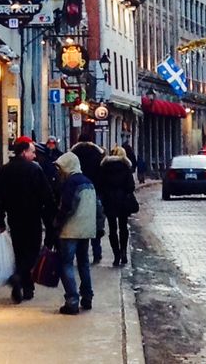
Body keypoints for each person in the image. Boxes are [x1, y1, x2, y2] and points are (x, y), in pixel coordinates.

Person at [0, 136, 56, 304]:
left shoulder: (4, 171)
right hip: (32, 217)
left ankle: (27, 287)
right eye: (33, 152)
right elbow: (46, 196)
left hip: (14, 218)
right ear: (25, 152)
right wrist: (50, 220)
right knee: (33, 252)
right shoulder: (34, 170)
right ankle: (19, 277)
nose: (35, 156)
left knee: (19, 251)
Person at [54, 152, 98, 315]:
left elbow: (67, 206)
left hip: (70, 231)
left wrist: (57, 223)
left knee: (66, 264)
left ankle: (72, 300)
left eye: (61, 167)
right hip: (86, 230)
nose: (59, 171)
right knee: (83, 263)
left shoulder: (71, 183)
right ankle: (87, 297)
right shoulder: (89, 182)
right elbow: (97, 208)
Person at [98, 146, 136, 266]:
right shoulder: (126, 167)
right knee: (123, 227)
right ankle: (124, 252)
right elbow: (131, 186)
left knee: (112, 229)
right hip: (123, 201)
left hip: (109, 201)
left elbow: (101, 184)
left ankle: (116, 255)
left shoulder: (104, 167)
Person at [71, 133, 106, 263]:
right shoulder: (98, 154)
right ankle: (97, 252)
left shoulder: (73, 154)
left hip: (77, 190)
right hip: (95, 190)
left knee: (78, 219)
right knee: (96, 220)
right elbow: (102, 175)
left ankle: (79, 252)